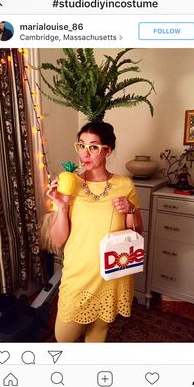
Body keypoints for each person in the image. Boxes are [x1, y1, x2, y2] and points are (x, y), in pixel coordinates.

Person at [47, 122, 143, 342]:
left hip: (112, 273)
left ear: (108, 150)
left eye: (94, 147)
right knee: (63, 338)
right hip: (79, 274)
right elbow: (57, 239)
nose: (85, 153)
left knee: (99, 332)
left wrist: (130, 209)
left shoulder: (124, 184)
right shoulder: (68, 183)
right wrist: (61, 207)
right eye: (81, 145)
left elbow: (137, 230)